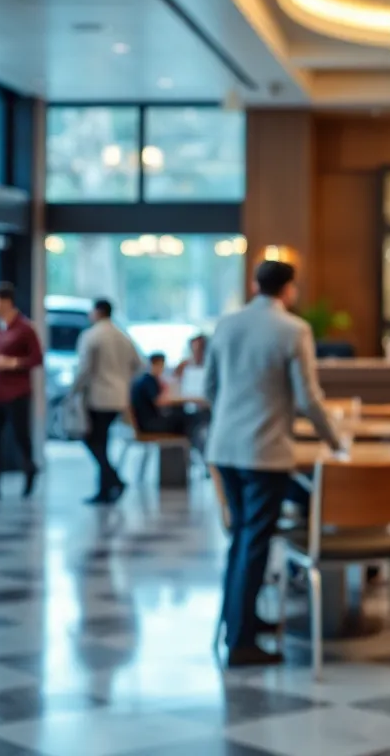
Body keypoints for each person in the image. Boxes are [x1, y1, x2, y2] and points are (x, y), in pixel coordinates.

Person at [204, 260, 342, 667]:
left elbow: (210, 386)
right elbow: (308, 398)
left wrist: (230, 419)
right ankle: (242, 641)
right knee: (255, 542)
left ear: (254, 284)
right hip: (263, 450)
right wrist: (335, 442)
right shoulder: (293, 329)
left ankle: (240, 621)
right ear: (289, 289)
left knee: (242, 539)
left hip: (224, 448)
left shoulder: (226, 324)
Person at [0, 282, 44, 502]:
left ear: (5, 302)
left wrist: (12, 363)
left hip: (16, 392)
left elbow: (37, 358)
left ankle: (29, 469)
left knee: (20, 436)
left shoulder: (25, 328)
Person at [72, 299, 142, 505]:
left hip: (98, 396)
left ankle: (113, 480)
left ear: (97, 312)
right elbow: (139, 364)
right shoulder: (122, 335)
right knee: (101, 441)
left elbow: (84, 369)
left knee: (93, 440)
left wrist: (74, 391)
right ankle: (106, 487)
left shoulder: (92, 335)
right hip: (119, 396)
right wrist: (124, 380)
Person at [130, 353, 209, 452]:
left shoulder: (143, 379)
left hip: (147, 422)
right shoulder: (148, 380)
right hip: (150, 424)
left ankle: (191, 453)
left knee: (184, 417)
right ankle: (197, 451)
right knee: (190, 419)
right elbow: (160, 401)